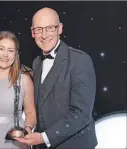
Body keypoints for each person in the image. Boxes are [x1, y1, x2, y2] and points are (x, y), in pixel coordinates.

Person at [15, 8, 98, 149]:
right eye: (39, 29)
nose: (44, 35)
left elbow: (81, 114)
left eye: (50, 28)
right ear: (32, 32)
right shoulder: (36, 63)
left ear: (60, 29)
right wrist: (29, 128)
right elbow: (41, 104)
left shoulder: (80, 60)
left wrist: (44, 137)